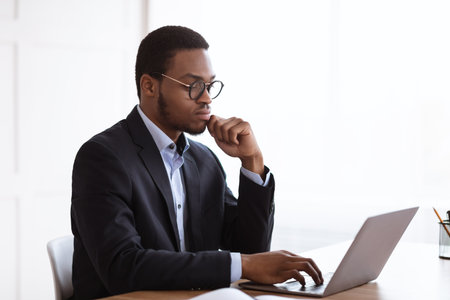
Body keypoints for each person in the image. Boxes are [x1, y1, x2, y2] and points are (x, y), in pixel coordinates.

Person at [70, 25, 323, 299]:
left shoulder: (203, 160)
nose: (206, 99)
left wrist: (252, 161)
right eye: (193, 86)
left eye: (210, 85)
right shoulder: (103, 157)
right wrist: (244, 265)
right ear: (149, 86)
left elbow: (252, 251)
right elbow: (123, 267)